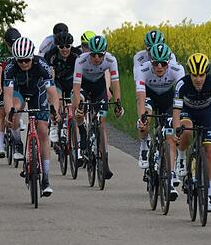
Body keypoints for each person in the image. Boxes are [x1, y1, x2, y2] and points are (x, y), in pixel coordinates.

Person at [3, 37, 62, 196]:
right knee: (14, 111)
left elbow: (52, 92)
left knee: (43, 130)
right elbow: (7, 95)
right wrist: (9, 114)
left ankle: (46, 179)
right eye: (20, 61)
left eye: (26, 60)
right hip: (19, 92)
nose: (23, 64)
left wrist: (55, 111)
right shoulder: (10, 67)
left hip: (38, 92)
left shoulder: (42, 64)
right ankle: (17, 143)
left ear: (32, 56)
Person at [135, 43, 185, 199]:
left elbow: (180, 97)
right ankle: (144, 145)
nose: (159, 67)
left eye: (163, 63)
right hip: (150, 97)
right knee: (145, 118)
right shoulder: (142, 69)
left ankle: (170, 178)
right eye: (156, 63)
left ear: (168, 62)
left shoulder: (177, 70)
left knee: (170, 135)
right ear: (151, 61)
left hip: (169, 100)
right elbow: (141, 98)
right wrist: (142, 117)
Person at [72, 35, 124, 180]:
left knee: (101, 121)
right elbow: (76, 88)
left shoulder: (110, 60)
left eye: (99, 55)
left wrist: (118, 103)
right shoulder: (81, 60)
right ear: (89, 53)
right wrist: (77, 108)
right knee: (80, 108)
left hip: (99, 88)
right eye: (93, 54)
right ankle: (82, 129)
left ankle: (104, 161)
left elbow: (115, 84)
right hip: (83, 86)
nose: (96, 58)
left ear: (105, 52)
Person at [172, 53, 211, 212]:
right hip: (188, 113)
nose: (198, 79)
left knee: (209, 151)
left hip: (206, 115)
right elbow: (177, 109)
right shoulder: (182, 84)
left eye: (201, 75)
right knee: (186, 130)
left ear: (207, 73)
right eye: (194, 75)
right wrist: (177, 128)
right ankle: (182, 156)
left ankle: (210, 194)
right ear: (189, 74)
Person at [44, 31, 83, 146]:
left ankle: (70, 126)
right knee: (57, 99)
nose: (65, 49)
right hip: (57, 81)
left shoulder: (77, 54)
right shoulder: (51, 55)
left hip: (72, 82)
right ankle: (54, 124)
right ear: (57, 46)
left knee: (73, 103)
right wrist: (52, 93)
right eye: (61, 47)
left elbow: (82, 72)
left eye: (67, 46)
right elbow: (50, 76)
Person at [0, 27, 23, 158]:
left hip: (17, 81)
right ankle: (1, 146)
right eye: (10, 45)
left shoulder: (22, 46)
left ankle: (17, 140)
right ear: (5, 43)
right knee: (1, 112)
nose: (12, 47)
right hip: (4, 80)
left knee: (15, 112)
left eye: (14, 44)